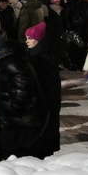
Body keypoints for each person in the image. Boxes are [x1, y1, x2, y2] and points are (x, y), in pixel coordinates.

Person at [0, 31, 47, 159]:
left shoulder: (11, 63)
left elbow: (22, 91)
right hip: (15, 121)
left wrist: (11, 111)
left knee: (18, 156)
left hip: (19, 122)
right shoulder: (6, 61)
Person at [24, 22, 61, 157]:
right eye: (26, 38)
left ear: (39, 40)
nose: (26, 41)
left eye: (30, 38)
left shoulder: (43, 60)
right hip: (41, 109)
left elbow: (48, 89)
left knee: (43, 146)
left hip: (44, 109)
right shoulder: (34, 55)